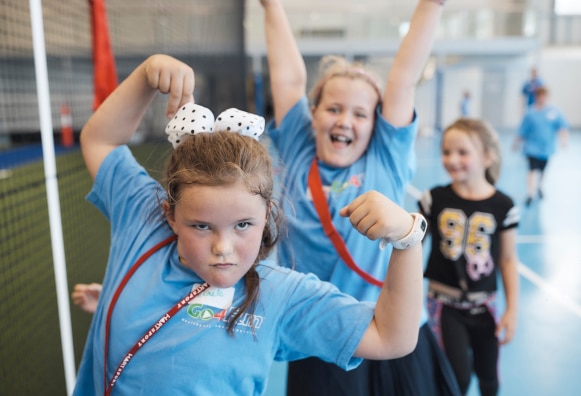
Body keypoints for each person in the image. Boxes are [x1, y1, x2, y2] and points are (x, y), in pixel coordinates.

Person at [73, 53, 428, 395]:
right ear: (170, 215)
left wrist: (408, 238)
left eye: (243, 225)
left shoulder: (282, 296)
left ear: (267, 216)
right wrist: (145, 75)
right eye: (201, 226)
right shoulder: (143, 222)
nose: (222, 248)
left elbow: (391, 336)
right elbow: (99, 139)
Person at [260, 0, 460, 395]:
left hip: (394, 330)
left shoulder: (385, 154)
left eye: (360, 113)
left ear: (377, 123)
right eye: (333, 108)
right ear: (312, 115)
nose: (344, 121)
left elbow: (403, 79)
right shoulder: (299, 147)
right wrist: (270, 6)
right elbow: (287, 81)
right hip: (322, 330)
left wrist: (431, 6)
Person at [419, 118, 520, 396]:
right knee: (457, 379)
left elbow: (508, 260)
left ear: (488, 157)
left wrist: (512, 309)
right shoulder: (433, 199)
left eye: (462, 152)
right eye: (447, 151)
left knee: (489, 379)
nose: (452, 159)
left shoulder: (504, 206)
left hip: (484, 305)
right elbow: (413, 247)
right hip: (444, 305)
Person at [513, 86, 569, 207]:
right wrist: (516, 143)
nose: (542, 98)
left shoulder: (553, 112)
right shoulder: (530, 113)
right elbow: (523, 131)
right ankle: (530, 193)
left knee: (542, 171)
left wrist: (563, 140)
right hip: (532, 147)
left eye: (544, 96)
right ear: (536, 97)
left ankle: (539, 187)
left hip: (546, 148)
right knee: (532, 170)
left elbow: (562, 126)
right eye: (539, 96)